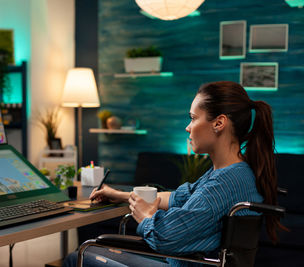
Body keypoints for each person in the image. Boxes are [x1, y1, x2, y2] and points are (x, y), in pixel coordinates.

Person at [63, 81, 284, 267]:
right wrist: (120, 195)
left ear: (219, 123)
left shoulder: (222, 185)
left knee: (78, 256)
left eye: (193, 118)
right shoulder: (234, 173)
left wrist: (146, 216)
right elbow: (179, 197)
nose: (188, 127)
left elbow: (164, 237)